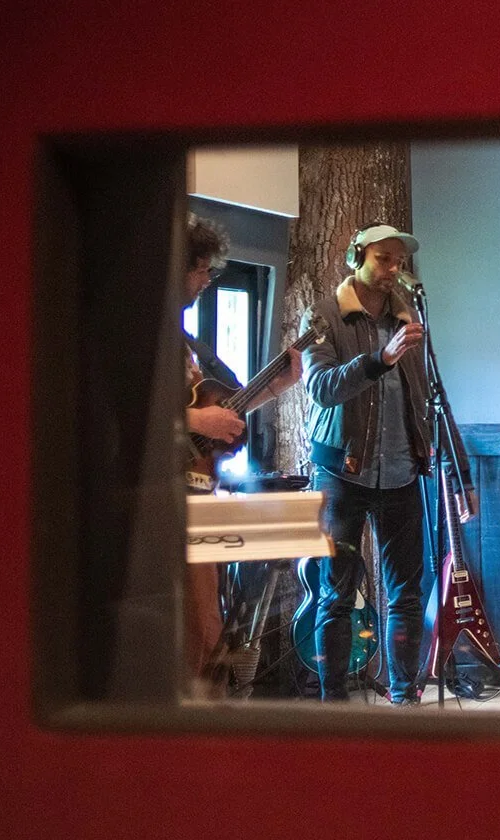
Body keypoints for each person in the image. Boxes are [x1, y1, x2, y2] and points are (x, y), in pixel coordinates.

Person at [300, 222, 476, 705]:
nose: (393, 269)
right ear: (357, 255)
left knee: (407, 594)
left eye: (399, 261)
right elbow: (320, 387)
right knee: (335, 597)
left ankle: (405, 701)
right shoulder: (324, 316)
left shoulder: (408, 320)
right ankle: (333, 704)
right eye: (383, 259)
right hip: (342, 475)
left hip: (401, 474)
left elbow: (434, 397)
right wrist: (380, 358)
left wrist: (461, 472)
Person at [181, 211, 301, 696]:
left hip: (199, 500)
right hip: (164, 507)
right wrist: (192, 421)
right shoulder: (133, 341)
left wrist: (275, 389)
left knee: (210, 630)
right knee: (191, 633)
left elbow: (226, 408)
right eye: (201, 270)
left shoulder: (189, 346)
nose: (207, 281)